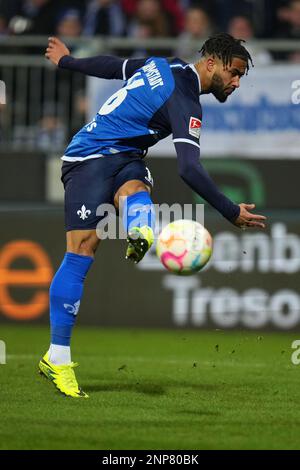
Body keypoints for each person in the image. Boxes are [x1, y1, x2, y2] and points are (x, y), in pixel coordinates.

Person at [39, 33, 266, 398]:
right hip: (89, 157)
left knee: (137, 188)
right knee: (81, 251)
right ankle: (58, 358)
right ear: (211, 63)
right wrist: (229, 211)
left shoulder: (162, 64)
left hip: (127, 156)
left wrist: (68, 61)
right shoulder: (185, 100)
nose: (237, 82)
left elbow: (115, 67)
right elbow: (189, 170)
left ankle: (141, 230)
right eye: (235, 72)